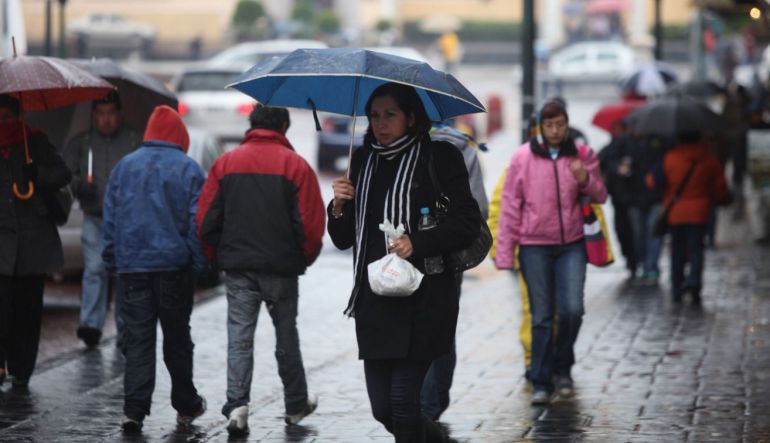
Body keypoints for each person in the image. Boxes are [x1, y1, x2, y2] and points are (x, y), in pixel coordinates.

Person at [328, 82, 481, 441]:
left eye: (390, 115)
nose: (380, 124)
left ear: (411, 117)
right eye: (375, 116)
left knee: (402, 402)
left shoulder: (439, 158)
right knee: (384, 409)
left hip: (424, 298)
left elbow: (466, 222)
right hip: (374, 300)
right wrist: (337, 207)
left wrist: (418, 242)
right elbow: (342, 239)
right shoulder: (363, 161)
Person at [196, 105, 325, 436]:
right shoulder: (296, 166)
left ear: (251, 125)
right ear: (282, 126)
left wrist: (218, 255)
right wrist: (304, 258)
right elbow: (310, 226)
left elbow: (206, 221)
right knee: (286, 336)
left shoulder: (226, 164)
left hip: (238, 267)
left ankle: (237, 404)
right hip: (281, 268)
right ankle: (295, 403)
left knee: (239, 336)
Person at [102, 105, 208, 432]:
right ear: (179, 137)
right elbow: (197, 223)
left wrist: (111, 259)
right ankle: (186, 404)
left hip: (133, 269)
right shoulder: (189, 169)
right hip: (174, 269)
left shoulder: (124, 167)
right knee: (177, 339)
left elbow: (111, 219)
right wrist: (199, 261)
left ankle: (133, 410)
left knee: (138, 341)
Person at [495, 100, 607, 405]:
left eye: (560, 124)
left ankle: (562, 366)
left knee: (572, 310)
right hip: (534, 246)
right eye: (549, 125)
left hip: (572, 244)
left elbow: (601, 194)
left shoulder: (583, 155)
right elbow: (509, 206)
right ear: (540, 128)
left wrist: (585, 178)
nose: (555, 130)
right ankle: (542, 379)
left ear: (567, 124)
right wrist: (505, 253)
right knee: (542, 315)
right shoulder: (523, 158)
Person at [0, 94, 72, 388]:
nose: (3, 123)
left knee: (27, 309)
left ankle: (22, 368)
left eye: (7, 117)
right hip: (2, 241)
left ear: (18, 116)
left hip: (33, 241)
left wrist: (38, 175)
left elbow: (62, 173)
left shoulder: (35, 141)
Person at [420, 122, 488, 421]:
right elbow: (479, 207)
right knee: (441, 323)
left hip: (426, 252)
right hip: (448, 255)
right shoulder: (463, 145)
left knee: (420, 324)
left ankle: (424, 404)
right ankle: (431, 402)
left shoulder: (450, 149)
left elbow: (474, 213)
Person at [64, 90, 140, 347]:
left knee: (123, 274)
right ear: (93, 115)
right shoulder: (81, 143)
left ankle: (124, 326)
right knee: (94, 269)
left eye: (110, 114)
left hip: (126, 222)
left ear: (119, 114)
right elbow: (65, 176)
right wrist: (78, 186)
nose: (106, 120)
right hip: (94, 217)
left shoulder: (134, 141)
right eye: (100, 114)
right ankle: (91, 324)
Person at [647, 132, 729, 305]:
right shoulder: (709, 159)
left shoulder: (670, 157)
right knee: (697, 250)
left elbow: (653, 182)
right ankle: (695, 283)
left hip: (675, 213)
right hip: (700, 212)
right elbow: (720, 185)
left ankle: (677, 288)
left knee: (677, 251)